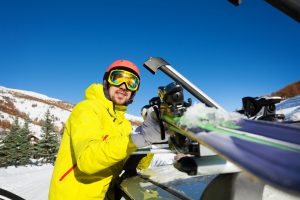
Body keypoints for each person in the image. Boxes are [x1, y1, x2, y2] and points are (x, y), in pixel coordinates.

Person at [48, 60, 168, 199]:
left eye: (131, 82)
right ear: (107, 82)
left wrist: (154, 136)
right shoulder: (87, 109)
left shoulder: (124, 125)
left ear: (134, 91)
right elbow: (87, 161)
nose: (124, 86)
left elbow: (137, 165)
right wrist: (139, 137)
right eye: (118, 78)